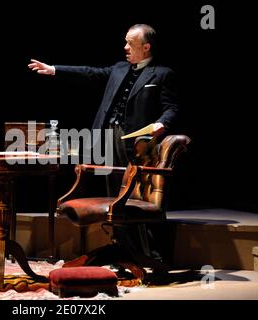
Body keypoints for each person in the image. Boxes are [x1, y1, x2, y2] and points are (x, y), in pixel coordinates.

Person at [28, 23, 180, 266]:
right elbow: (89, 72)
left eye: (130, 43)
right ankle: (120, 249)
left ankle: (147, 255)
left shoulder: (162, 74)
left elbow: (172, 107)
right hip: (108, 138)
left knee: (133, 198)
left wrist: (162, 123)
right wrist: (54, 69)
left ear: (146, 46)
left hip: (136, 144)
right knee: (113, 195)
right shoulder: (119, 68)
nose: (125, 47)